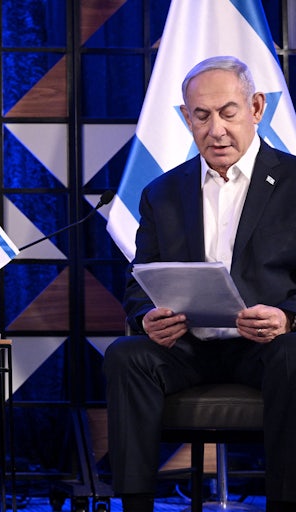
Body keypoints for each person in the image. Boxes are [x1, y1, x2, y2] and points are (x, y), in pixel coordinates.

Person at [103, 55, 296, 512]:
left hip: (268, 347)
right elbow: (139, 282)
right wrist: (147, 318)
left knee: (294, 355)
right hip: (188, 347)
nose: (216, 130)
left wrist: (288, 318)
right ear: (186, 118)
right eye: (202, 116)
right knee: (125, 356)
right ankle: (135, 506)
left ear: (256, 107)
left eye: (228, 113)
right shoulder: (161, 193)